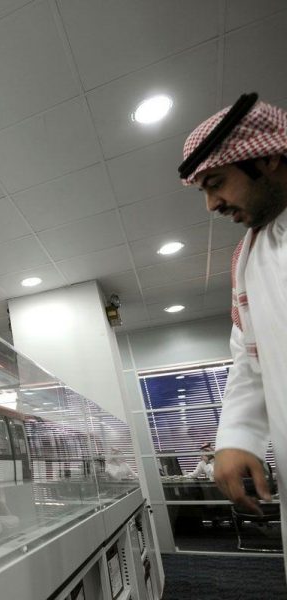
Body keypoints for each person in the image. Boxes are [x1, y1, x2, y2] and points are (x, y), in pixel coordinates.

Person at [179, 94, 286, 526]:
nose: (211, 204)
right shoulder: (247, 257)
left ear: (267, 160)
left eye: (216, 182)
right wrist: (238, 437)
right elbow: (251, 360)